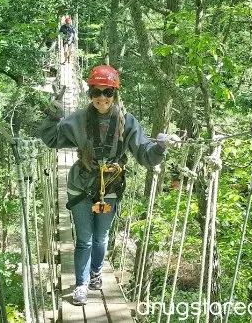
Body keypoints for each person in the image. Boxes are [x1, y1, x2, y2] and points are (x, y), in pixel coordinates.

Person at [39, 65, 179, 305]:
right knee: (84, 239)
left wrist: (160, 147)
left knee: (101, 238)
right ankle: (81, 284)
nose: (102, 98)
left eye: (108, 92)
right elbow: (52, 138)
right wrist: (53, 116)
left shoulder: (127, 122)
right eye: (96, 92)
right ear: (90, 93)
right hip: (81, 185)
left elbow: (145, 154)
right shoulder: (78, 119)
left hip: (110, 186)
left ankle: (95, 274)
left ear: (115, 94)